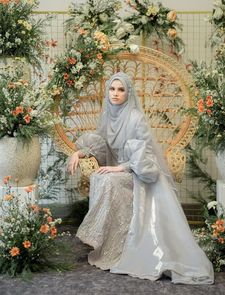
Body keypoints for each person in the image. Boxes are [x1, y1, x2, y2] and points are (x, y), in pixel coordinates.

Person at [67, 72, 214, 284]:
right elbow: (99, 144)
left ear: (128, 94)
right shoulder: (108, 116)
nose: (115, 94)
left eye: (121, 90)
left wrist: (120, 169)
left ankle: (109, 239)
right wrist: (79, 153)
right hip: (116, 171)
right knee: (101, 177)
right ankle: (107, 243)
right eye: (112, 89)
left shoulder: (136, 118)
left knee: (107, 179)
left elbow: (147, 156)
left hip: (139, 173)